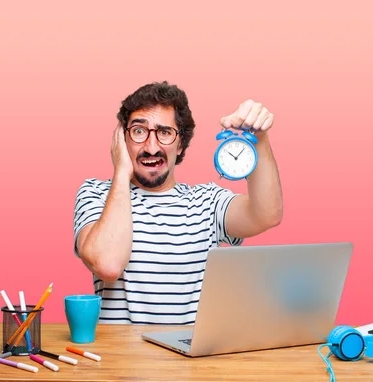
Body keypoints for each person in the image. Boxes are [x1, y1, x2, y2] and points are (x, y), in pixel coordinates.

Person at [73, 81, 283, 324]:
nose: (152, 148)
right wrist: (121, 170)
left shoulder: (207, 202)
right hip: (119, 359)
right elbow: (107, 264)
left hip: (188, 359)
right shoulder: (96, 194)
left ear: (180, 143)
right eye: (139, 132)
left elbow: (267, 214)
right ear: (122, 139)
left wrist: (259, 136)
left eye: (165, 133)